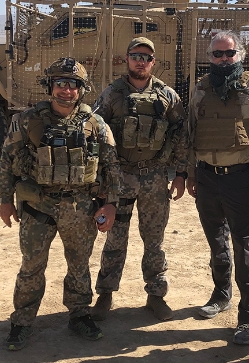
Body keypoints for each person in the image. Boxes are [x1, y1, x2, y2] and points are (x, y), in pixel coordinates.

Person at [0, 57, 120, 351]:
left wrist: (111, 204)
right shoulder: (27, 120)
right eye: (61, 83)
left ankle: (79, 315)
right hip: (38, 208)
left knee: (79, 266)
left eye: (73, 84)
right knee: (31, 266)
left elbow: (112, 166)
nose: (67, 90)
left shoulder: (96, 124)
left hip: (80, 209)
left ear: (82, 89)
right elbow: (7, 161)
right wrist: (4, 200)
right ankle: (22, 322)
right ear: (50, 86)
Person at [186, 30, 249, 345]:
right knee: (216, 242)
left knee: (244, 245)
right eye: (217, 54)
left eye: (229, 54)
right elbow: (191, 132)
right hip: (207, 176)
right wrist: (190, 173)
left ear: (239, 55)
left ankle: (248, 317)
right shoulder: (200, 89)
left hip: (243, 177)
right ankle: (221, 294)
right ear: (209, 57)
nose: (224, 60)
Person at [90, 37, 189, 321]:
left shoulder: (167, 95)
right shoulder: (112, 94)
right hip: (119, 177)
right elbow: (94, 130)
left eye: (146, 57)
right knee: (114, 239)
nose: (141, 61)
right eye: (136, 56)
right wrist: (99, 179)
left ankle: (156, 296)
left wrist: (181, 173)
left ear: (153, 62)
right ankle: (105, 294)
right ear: (127, 58)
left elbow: (181, 134)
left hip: (154, 177)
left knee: (154, 240)